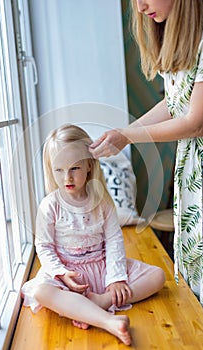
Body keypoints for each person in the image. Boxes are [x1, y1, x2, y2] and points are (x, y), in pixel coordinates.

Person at [89, 0, 203, 305]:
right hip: (193, 172)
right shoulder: (184, 43)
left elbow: (194, 123)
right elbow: (175, 103)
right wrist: (125, 136)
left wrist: (128, 135)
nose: (139, 7)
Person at [21, 124, 165, 345]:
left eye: (74, 169)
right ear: (50, 169)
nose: (66, 177)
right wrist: (61, 273)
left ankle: (100, 301)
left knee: (157, 276)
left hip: (102, 266)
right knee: (41, 291)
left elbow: (114, 240)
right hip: (70, 273)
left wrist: (116, 278)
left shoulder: (101, 202)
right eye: (59, 170)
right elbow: (44, 246)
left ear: (89, 165)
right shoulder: (50, 205)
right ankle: (108, 321)